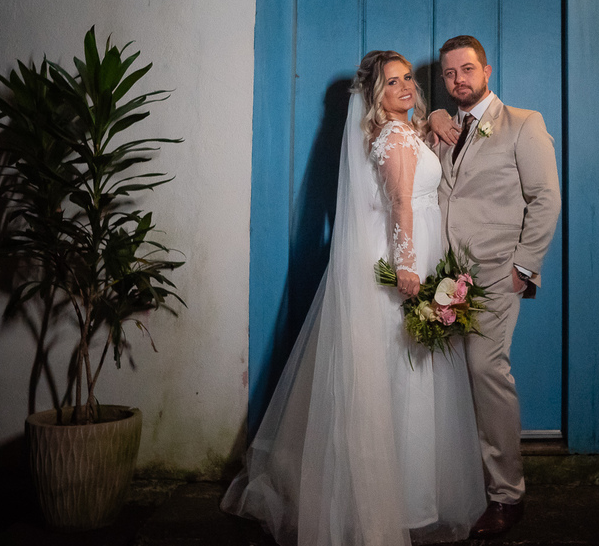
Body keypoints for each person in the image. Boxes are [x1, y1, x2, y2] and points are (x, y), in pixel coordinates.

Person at [222, 51, 486, 546]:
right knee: (400, 377)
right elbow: (403, 203)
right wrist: (408, 265)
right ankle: (397, 502)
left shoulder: (404, 131)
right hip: (408, 259)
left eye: (409, 78)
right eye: (393, 83)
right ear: (376, 96)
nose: (407, 87)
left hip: (424, 251)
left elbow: (416, 175)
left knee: (414, 374)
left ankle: (411, 493)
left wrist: (430, 120)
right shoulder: (390, 136)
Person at [427, 35, 562, 539]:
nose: (457, 79)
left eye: (466, 69)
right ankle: (457, 485)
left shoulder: (523, 123)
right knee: (448, 379)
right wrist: (433, 120)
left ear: (487, 70)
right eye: (448, 73)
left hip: (495, 272)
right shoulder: (445, 125)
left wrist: (523, 268)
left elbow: (546, 198)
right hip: (445, 275)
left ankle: (508, 496)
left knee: (487, 370)